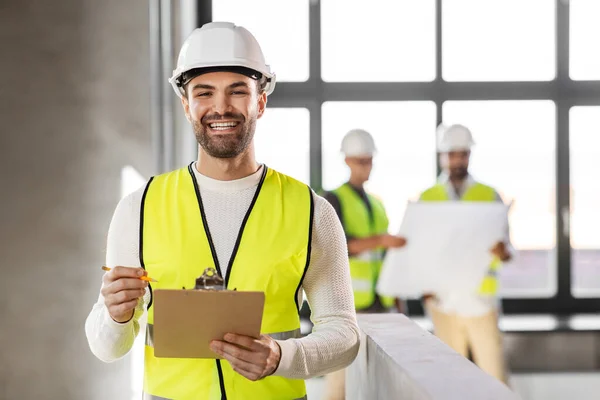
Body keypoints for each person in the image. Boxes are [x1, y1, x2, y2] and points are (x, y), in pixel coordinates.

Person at [85, 22, 360, 400]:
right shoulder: (140, 208)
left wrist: (282, 356)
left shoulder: (311, 211)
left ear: (260, 102)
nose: (220, 107)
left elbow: (344, 334)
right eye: (204, 92)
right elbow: (106, 347)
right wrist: (116, 316)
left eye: (237, 91)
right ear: (186, 105)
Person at [418, 123, 514, 385]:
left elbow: (508, 250)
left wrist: (502, 250)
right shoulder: (428, 198)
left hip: (481, 302)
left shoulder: (488, 194)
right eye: (452, 154)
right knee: (448, 382)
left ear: (469, 155)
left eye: (463, 154)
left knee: (495, 379)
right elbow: (419, 251)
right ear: (442, 156)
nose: (458, 160)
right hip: (443, 303)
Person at [322, 129, 406, 400]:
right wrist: (381, 240)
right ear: (346, 161)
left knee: (375, 384)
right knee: (340, 383)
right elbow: (341, 245)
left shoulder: (377, 204)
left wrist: (397, 299)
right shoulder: (333, 199)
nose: (366, 166)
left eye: (369, 160)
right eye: (360, 161)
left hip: (379, 304)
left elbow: (385, 259)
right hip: (347, 307)